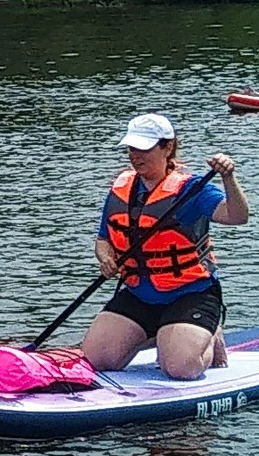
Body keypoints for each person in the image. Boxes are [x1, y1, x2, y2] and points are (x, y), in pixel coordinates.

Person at [74, 113, 249, 383]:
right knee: (97, 359)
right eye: (132, 148)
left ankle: (208, 336)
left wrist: (229, 178)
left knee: (180, 368)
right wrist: (106, 258)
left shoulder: (191, 190)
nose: (135, 155)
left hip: (190, 293)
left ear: (168, 147)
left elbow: (237, 216)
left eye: (144, 148)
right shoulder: (121, 189)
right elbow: (103, 239)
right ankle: (161, 334)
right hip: (140, 294)